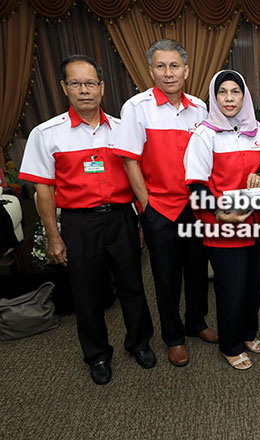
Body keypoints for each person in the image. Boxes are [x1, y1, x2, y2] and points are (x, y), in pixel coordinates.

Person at [19, 55, 154, 385]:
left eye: (90, 83)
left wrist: (141, 223)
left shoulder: (124, 131)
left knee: (133, 286)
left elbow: (139, 179)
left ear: (102, 87)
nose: (84, 90)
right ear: (64, 87)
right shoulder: (47, 133)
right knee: (87, 292)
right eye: (76, 83)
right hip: (80, 224)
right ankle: (97, 355)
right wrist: (54, 235)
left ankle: (139, 342)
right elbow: (44, 190)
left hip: (122, 218)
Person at [114, 39, 217, 368]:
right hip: (160, 209)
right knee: (165, 276)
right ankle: (173, 336)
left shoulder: (201, 108)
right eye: (161, 66)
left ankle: (196, 322)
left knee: (198, 271)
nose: (168, 73)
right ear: (150, 70)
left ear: (186, 70)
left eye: (175, 66)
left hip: (195, 207)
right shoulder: (136, 108)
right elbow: (130, 162)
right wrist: (147, 208)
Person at [184, 70, 260, 370]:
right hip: (223, 228)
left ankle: (247, 333)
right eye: (223, 92)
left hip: (255, 224)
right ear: (214, 96)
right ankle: (230, 344)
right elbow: (195, 186)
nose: (230, 98)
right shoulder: (204, 134)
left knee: (253, 286)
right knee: (231, 289)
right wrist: (223, 214)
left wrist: (259, 175)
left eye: (236, 92)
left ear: (244, 96)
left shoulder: (256, 130)